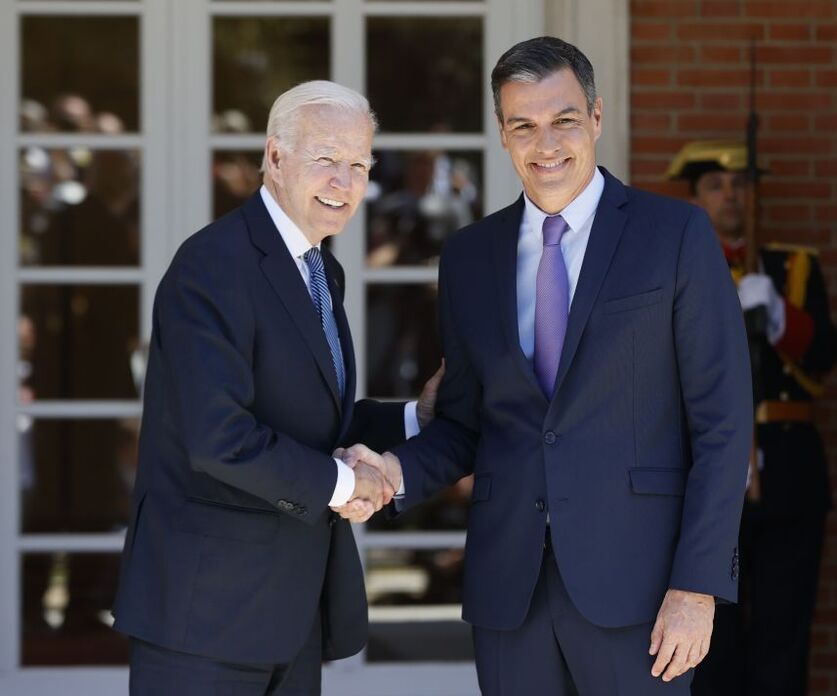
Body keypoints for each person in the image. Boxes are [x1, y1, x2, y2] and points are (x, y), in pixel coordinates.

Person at [339, 37, 752, 695]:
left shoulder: (674, 236)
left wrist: (697, 586)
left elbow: (724, 426)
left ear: (595, 118)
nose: (545, 143)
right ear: (502, 134)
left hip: (643, 595)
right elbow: (467, 423)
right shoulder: (470, 257)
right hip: (511, 594)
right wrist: (393, 471)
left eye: (562, 119)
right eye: (523, 125)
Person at [112, 81, 441, 696]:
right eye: (325, 160)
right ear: (275, 156)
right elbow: (220, 439)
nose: (344, 182)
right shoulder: (212, 266)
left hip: (290, 616)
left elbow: (314, 421)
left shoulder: (321, 268)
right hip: (204, 620)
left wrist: (413, 419)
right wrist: (346, 483)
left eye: (359, 165)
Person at [669, 141, 837, 696]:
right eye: (716, 186)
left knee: (783, 631)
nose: (730, 195)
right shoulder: (677, 264)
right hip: (707, 467)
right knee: (710, 636)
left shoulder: (792, 268)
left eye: (740, 184)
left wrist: (778, 317)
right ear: (696, 198)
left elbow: (825, 359)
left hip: (786, 461)